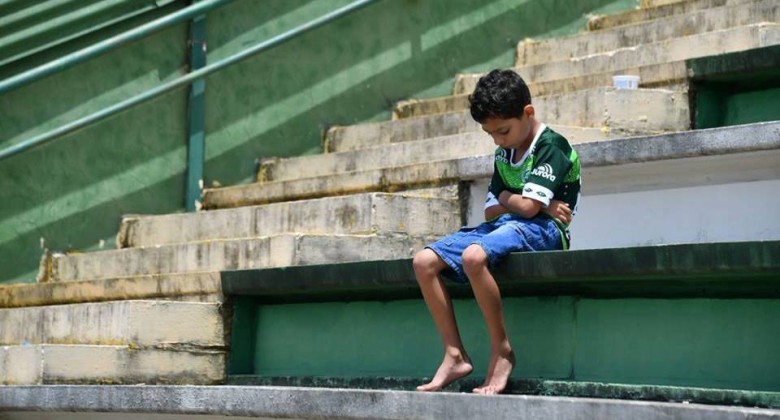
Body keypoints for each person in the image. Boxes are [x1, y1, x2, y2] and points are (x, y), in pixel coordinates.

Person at [413, 69, 581, 395]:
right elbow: (492, 209)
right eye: (491, 134)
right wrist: (526, 201)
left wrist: (523, 202)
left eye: (503, 131)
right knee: (423, 262)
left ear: (527, 113)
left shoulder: (551, 145)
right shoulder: (505, 150)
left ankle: (502, 350)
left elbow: (530, 211)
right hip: (505, 226)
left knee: (474, 256)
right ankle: (454, 354)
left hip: (546, 231)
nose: (498, 140)